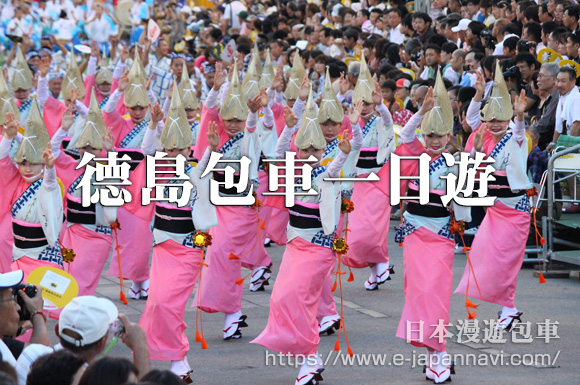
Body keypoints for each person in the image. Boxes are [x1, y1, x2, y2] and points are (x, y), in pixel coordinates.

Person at [251, 86, 353, 385]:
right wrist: (290, 128)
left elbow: (336, 165)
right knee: (281, 299)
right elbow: (279, 153)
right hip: (297, 245)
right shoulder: (292, 171)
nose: (310, 154)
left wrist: (343, 154)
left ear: (324, 150)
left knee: (303, 300)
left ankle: (310, 358)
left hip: (319, 248)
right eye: (305, 149)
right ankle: (309, 356)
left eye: (316, 149)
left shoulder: (326, 171)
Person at [124, 79, 218, 381]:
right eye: (169, 148)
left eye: (180, 149)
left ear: (188, 149)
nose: (173, 153)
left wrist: (213, 148)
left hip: (188, 248)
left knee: (169, 305)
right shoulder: (158, 169)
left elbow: (205, 163)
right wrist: (152, 123)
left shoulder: (195, 171)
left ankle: (175, 357)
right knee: (156, 304)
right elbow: (145, 149)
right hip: (163, 247)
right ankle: (170, 357)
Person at [383, 72, 470, 384]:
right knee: (419, 293)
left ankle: (439, 352)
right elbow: (405, 138)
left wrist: (461, 219)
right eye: (429, 135)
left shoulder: (455, 164)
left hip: (442, 236)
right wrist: (421, 111)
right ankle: (435, 354)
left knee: (436, 294)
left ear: (449, 135)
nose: (434, 141)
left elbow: (462, 209)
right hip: (416, 231)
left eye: (440, 136)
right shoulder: (415, 155)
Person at [192, 61, 269, 340]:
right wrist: (214, 88)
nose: (233, 124)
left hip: (241, 206)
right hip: (216, 204)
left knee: (224, 253)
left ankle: (233, 313)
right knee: (220, 257)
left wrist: (251, 115)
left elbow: (250, 131)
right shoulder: (215, 133)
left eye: (238, 119)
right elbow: (208, 110)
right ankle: (233, 315)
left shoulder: (250, 133)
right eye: (230, 119)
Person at [455, 62, 532, 332]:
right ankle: (507, 308)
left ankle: (508, 308)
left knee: (506, 262)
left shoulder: (515, 137)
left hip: (515, 211)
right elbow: (476, 172)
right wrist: (478, 95)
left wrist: (520, 117)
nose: (496, 123)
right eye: (492, 119)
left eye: (502, 118)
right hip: (495, 211)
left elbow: (520, 132)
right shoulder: (483, 137)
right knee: (484, 257)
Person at [57, 296, 150, 376]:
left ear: (57, 330)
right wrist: (140, 347)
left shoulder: (42, 356)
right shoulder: (98, 379)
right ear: (101, 343)